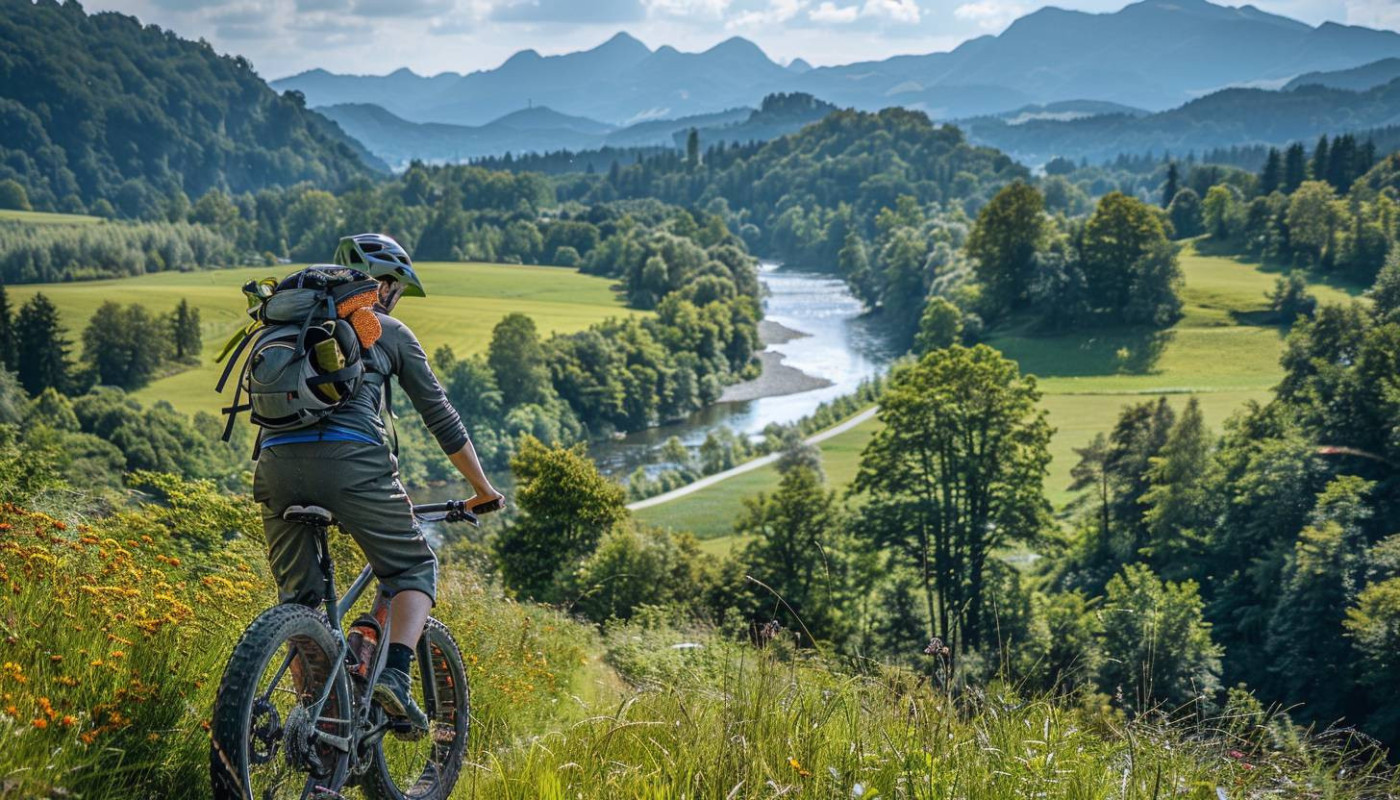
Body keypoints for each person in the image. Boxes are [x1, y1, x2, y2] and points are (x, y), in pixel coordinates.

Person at [252, 232, 503, 733]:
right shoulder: (388, 331)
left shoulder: (287, 327)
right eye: (397, 287)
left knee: (300, 603)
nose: (396, 297)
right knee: (412, 566)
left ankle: (319, 726)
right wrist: (483, 489)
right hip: (354, 466)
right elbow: (442, 418)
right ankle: (395, 675)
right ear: (383, 284)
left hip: (274, 467)